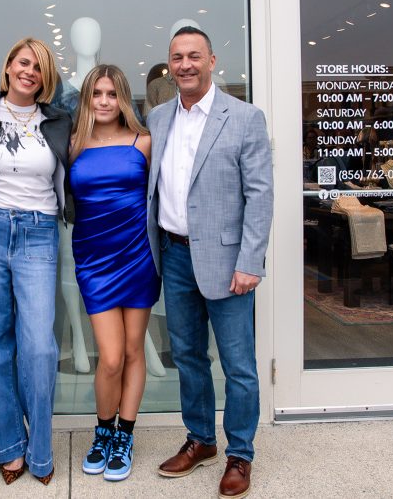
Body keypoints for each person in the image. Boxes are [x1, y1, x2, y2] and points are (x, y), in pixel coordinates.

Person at [146, 26, 273, 499]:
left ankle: (240, 453)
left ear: (212, 60)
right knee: (188, 356)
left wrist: (251, 260)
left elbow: (260, 195)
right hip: (174, 255)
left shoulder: (243, 117)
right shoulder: (157, 118)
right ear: (170, 64)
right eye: (177, 57)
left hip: (227, 260)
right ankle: (201, 440)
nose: (185, 65)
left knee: (238, 364)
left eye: (194, 56)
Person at [0, 37, 71, 485]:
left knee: (39, 346)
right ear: (8, 66)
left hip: (38, 232)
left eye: (39, 68)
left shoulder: (59, 120)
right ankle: (8, 446)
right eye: (23, 63)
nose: (30, 72)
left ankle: (41, 449)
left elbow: (106, 138)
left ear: (46, 79)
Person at [68, 64, 161, 482]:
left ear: (122, 98)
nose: (104, 101)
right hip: (93, 260)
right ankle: (102, 430)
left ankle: (124, 434)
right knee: (108, 357)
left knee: (132, 351)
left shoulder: (144, 141)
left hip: (138, 257)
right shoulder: (71, 144)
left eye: (111, 94)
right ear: (87, 98)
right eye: (96, 94)